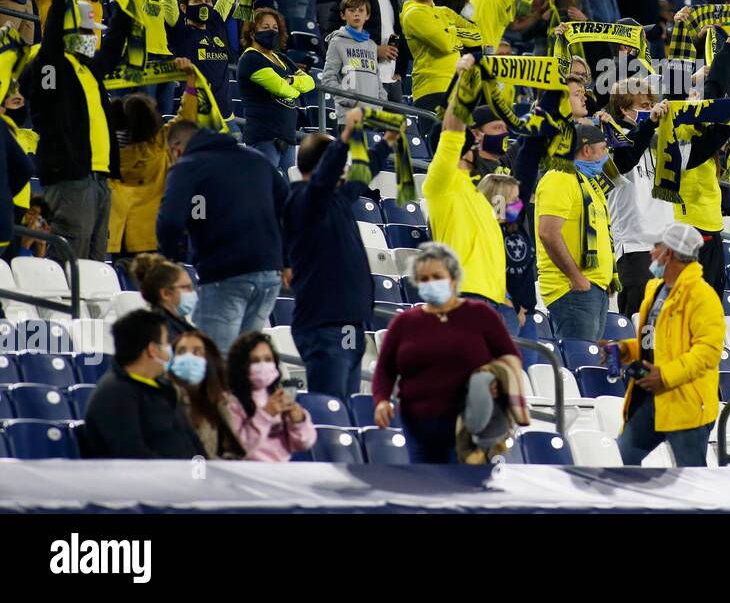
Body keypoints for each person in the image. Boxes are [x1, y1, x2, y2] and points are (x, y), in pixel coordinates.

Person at [373, 242, 520, 463]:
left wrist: (497, 381)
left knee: (464, 489)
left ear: (453, 278)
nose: (431, 283)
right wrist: (381, 400)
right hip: (417, 425)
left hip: (469, 425)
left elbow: (510, 357)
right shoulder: (404, 322)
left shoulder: (480, 315)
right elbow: (385, 368)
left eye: (437, 276)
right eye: (424, 279)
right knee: (425, 489)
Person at [19, 0, 131, 261]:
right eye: (85, 31)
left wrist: (125, 11)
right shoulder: (49, 66)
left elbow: (113, 50)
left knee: (96, 260)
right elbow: (51, 48)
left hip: (98, 177)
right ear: (68, 31)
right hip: (70, 176)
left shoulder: (89, 69)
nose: (92, 38)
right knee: (69, 258)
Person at [156, 120, 289, 353]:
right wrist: (286, 261)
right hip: (269, 273)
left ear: (176, 149)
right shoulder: (257, 159)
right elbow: (289, 209)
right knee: (243, 360)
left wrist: (171, 259)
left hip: (225, 273)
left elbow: (170, 221)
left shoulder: (188, 166)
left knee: (214, 359)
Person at [605, 223, 723, 468]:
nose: (651, 253)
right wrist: (626, 349)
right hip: (651, 399)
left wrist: (665, 375)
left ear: (669, 253)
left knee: (693, 484)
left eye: (656, 246)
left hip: (686, 405)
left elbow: (708, 352)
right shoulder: (656, 289)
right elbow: (654, 342)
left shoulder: (703, 295)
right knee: (618, 465)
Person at [283, 108, 377, 398]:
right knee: (329, 411)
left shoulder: (334, 199)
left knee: (344, 412)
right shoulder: (303, 199)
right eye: (340, 162)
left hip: (350, 325)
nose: (346, 168)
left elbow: (362, 177)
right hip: (325, 327)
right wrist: (346, 136)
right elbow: (323, 181)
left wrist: (385, 142)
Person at [425, 57, 515, 334]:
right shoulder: (442, 182)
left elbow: (508, 224)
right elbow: (452, 130)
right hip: (463, 294)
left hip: (493, 298)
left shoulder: (477, 191)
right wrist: (464, 80)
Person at [80, 309, 205, 459]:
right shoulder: (114, 394)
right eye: (166, 343)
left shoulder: (163, 388)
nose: (170, 350)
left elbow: (193, 442)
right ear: (153, 350)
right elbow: (132, 455)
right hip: (156, 480)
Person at [535, 123, 616, 341]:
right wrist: (576, 277)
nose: (606, 155)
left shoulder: (590, 183)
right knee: (580, 362)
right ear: (587, 150)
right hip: (572, 290)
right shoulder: (560, 177)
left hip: (593, 289)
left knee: (590, 362)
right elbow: (548, 233)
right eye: (603, 149)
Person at [107, 67, 199, 258]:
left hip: (121, 237)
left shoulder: (108, 150)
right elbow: (187, 117)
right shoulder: (160, 142)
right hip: (154, 234)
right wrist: (191, 81)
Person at [606, 80, 674, 317]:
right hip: (635, 247)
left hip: (665, 248)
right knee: (638, 329)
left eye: (653, 104)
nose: (653, 109)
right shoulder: (611, 139)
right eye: (645, 105)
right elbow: (626, 160)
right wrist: (650, 124)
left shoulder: (658, 142)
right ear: (624, 109)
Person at [325, 0, 405, 102]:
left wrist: (401, 69)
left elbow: (396, 30)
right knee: (365, 126)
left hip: (392, 78)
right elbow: (331, 35)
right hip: (363, 78)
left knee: (398, 127)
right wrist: (374, 50)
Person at [236, 7, 315, 171]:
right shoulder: (251, 58)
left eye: (275, 28)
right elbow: (281, 89)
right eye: (265, 28)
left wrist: (290, 80)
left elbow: (310, 82)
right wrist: (295, 88)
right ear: (252, 32)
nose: (271, 31)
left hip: (287, 137)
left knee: (286, 193)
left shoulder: (281, 58)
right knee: (263, 190)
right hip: (264, 137)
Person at [224, 331, 317, 462]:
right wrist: (266, 414)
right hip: (245, 473)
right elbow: (236, 449)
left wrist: (298, 421)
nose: (263, 366)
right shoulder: (230, 403)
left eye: (268, 359)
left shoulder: (278, 396)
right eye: (255, 361)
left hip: (280, 473)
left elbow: (304, 443)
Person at [168, 0, 246, 121]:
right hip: (197, 118)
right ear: (184, 8)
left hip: (227, 118)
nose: (204, 5)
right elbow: (168, 1)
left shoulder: (215, 25)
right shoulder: (181, 33)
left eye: (207, 1)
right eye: (197, 1)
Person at [401, 0, 459, 135]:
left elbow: (475, 36)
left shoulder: (441, 12)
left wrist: (449, 31)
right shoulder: (413, 13)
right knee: (440, 149)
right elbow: (445, 44)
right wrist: (455, 30)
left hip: (456, 87)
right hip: (434, 89)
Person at [170, 330, 244, 459]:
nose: (189, 357)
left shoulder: (224, 402)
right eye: (181, 352)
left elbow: (236, 449)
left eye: (197, 352)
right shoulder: (164, 398)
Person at [478, 173, 535, 327]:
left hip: (527, 310)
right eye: (514, 199)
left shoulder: (515, 224)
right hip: (503, 309)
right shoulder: (483, 231)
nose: (519, 203)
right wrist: (512, 304)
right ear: (497, 200)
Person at [320, 0, 381, 112]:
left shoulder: (372, 45)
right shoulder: (337, 42)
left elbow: (377, 80)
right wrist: (352, 101)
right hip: (349, 115)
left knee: (399, 126)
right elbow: (327, 80)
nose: (356, 14)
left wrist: (379, 104)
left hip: (373, 114)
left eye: (361, 10)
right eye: (351, 10)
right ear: (343, 15)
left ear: (367, 15)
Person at [133, 252, 197, 342]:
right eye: (185, 287)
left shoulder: (177, 324)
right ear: (165, 293)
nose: (191, 292)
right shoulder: (162, 333)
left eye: (191, 287)